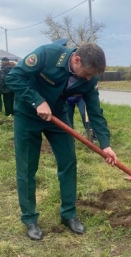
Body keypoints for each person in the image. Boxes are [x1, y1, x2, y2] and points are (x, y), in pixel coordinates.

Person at [5, 42, 118, 240]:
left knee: (68, 163)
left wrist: (106, 144)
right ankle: (30, 218)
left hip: (57, 116)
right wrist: (37, 101)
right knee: (27, 168)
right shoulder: (47, 54)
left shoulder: (90, 80)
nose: (89, 79)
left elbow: (95, 112)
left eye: (93, 76)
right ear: (76, 60)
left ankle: (69, 214)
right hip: (27, 115)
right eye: (88, 73)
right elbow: (14, 77)